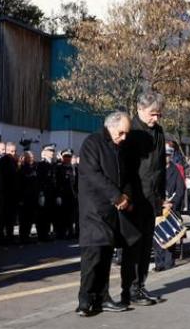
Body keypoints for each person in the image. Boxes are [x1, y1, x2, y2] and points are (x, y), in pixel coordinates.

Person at [77, 111, 135, 316]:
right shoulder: (92, 143)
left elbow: (125, 175)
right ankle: (85, 299)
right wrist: (117, 196)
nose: (124, 137)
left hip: (112, 211)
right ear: (111, 126)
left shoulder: (119, 147)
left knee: (106, 255)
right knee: (93, 255)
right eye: (121, 132)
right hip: (93, 208)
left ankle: (102, 297)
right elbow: (93, 174)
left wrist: (126, 196)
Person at [121, 92, 167, 307]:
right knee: (134, 246)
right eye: (152, 114)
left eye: (158, 114)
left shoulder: (159, 131)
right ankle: (130, 289)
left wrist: (162, 196)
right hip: (136, 197)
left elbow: (160, 167)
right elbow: (126, 168)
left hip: (152, 197)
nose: (156, 118)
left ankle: (140, 286)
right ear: (140, 109)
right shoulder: (130, 131)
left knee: (147, 244)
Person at [154, 144, 185, 270]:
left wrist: (172, 203)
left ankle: (169, 262)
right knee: (157, 238)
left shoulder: (176, 170)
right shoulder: (155, 170)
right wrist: (160, 202)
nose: (166, 158)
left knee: (170, 237)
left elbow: (180, 189)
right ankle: (159, 264)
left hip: (171, 208)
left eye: (168, 155)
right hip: (158, 207)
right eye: (164, 155)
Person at [0, 142, 19, 243]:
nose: (13, 153)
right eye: (11, 151)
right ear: (6, 151)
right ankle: (3, 237)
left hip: (13, 193)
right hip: (5, 193)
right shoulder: (3, 161)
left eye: (14, 151)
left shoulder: (14, 161)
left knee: (11, 217)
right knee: (4, 217)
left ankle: (10, 236)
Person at [36, 144, 57, 241]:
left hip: (51, 193)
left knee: (49, 214)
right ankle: (42, 234)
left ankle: (46, 233)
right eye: (49, 151)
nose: (52, 153)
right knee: (42, 215)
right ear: (44, 153)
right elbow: (40, 180)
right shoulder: (41, 165)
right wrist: (41, 193)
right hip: (44, 193)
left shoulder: (53, 165)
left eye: (52, 151)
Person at [55, 149, 78, 239]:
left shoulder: (74, 168)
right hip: (63, 194)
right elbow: (57, 182)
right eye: (66, 157)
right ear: (62, 157)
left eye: (69, 157)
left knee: (71, 215)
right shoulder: (59, 168)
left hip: (72, 195)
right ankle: (61, 233)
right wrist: (58, 195)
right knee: (62, 215)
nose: (67, 159)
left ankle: (70, 232)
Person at [18, 151, 40, 243]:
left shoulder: (34, 168)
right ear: (25, 158)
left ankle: (27, 235)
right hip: (24, 198)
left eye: (32, 157)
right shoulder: (22, 169)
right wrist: (20, 199)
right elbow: (19, 185)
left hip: (33, 197)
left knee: (30, 218)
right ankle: (23, 237)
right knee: (24, 219)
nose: (31, 159)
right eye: (29, 157)